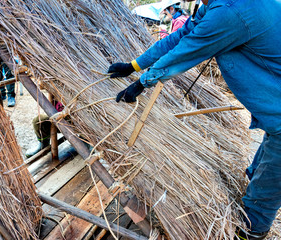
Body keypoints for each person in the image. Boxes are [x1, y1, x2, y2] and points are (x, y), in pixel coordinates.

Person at [108, 0, 281, 239]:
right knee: (260, 169)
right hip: (275, 112)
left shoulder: (229, 12)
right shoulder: (215, 6)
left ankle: (251, 232)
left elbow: (186, 50)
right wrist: (134, 65)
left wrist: (142, 83)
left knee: (264, 195)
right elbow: (180, 36)